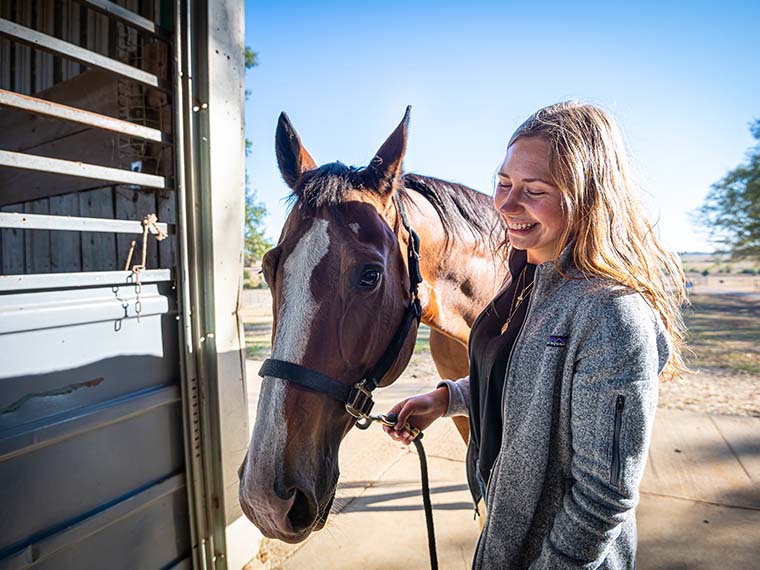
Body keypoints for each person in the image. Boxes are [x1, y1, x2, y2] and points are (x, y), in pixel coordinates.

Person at [384, 101, 688, 569]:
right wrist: (448, 399)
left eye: (534, 190)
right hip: (505, 539)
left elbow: (604, 498)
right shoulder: (530, 279)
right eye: (504, 183)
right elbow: (532, 383)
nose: (505, 204)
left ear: (586, 198)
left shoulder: (611, 313)